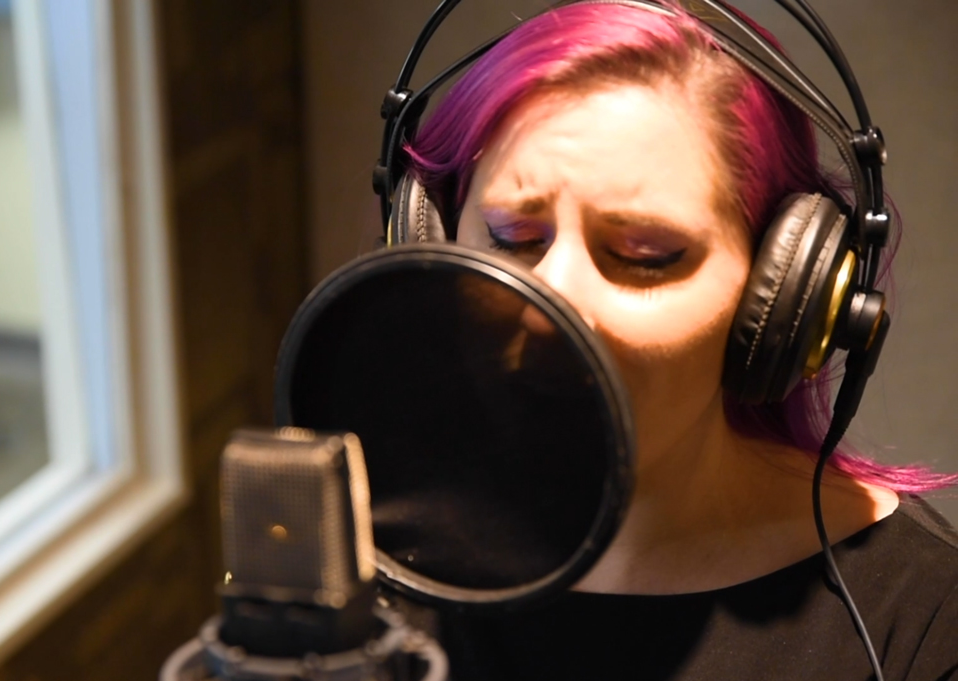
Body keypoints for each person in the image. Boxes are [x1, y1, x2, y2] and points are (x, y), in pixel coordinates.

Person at [392, 2, 958, 679]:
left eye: (644, 253)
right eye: (515, 239)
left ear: (785, 303)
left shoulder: (924, 617)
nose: (553, 305)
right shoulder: (372, 571)